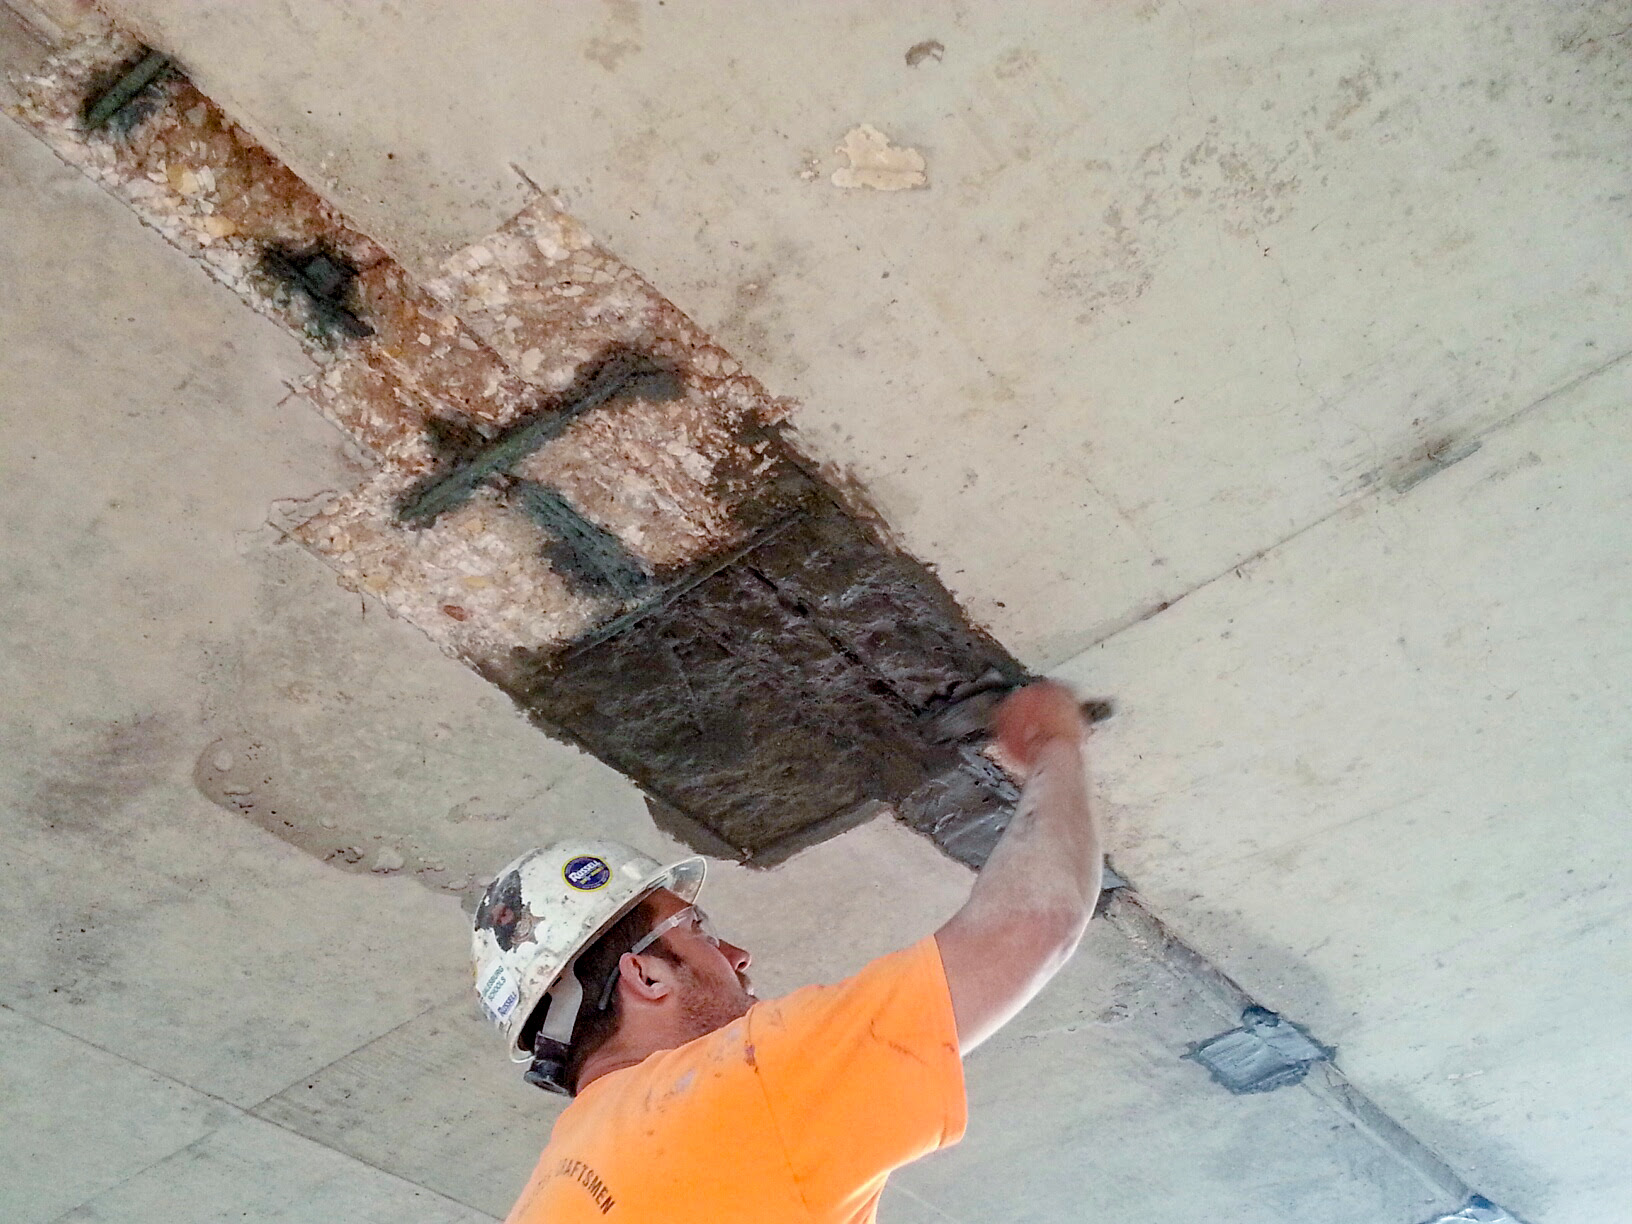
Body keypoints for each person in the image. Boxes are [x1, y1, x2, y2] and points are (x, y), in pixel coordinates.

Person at [471, 680, 1103, 1223]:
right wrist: (1055, 741)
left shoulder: (554, 1187)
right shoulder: (733, 1091)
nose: (738, 955)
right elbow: (1033, 925)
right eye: (699, 930)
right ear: (646, 976)